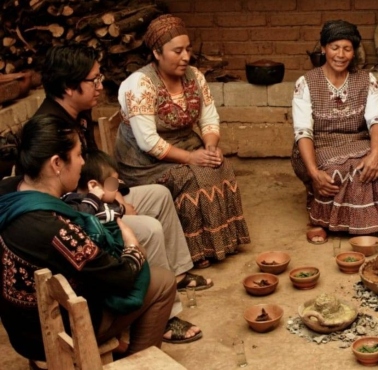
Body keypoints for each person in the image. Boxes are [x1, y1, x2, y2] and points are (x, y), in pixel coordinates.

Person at [34, 43, 209, 343]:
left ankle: (177, 275)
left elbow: (92, 172)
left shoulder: (78, 113)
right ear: (68, 85)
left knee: (158, 195)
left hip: (96, 196)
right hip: (80, 214)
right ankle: (166, 314)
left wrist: (117, 196)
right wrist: (115, 211)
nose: (101, 86)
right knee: (150, 229)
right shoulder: (52, 129)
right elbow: (67, 200)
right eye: (94, 80)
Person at [0, 115, 176, 364]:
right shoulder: (53, 229)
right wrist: (133, 247)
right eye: (79, 155)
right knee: (162, 282)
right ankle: (138, 362)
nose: (83, 163)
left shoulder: (9, 190)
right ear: (56, 163)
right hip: (53, 332)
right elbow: (121, 278)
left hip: (20, 326)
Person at [114, 15, 250, 267]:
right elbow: (148, 142)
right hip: (144, 161)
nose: (186, 56)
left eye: (187, 49)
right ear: (156, 52)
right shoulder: (140, 84)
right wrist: (191, 158)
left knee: (220, 166)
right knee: (191, 176)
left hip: (187, 144)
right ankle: (196, 251)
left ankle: (221, 243)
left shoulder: (194, 76)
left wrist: (210, 147)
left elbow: (209, 118)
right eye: (177, 51)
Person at [291, 19, 378, 243]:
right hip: (319, 145)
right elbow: (303, 132)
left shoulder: (367, 80)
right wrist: (314, 172)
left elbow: (376, 120)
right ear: (323, 49)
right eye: (334, 47)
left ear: (354, 52)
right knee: (336, 169)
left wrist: (376, 153)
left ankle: (368, 221)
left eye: (347, 48)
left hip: (357, 140)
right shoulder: (306, 83)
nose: (340, 54)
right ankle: (321, 220)